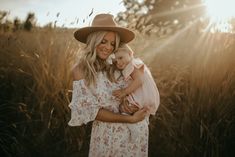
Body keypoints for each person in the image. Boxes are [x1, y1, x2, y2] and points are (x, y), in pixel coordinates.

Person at [68, 13, 150, 157]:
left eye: (113, 43)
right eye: (103, 41)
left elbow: (142, 85)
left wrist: (133, 105)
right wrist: (129, 119)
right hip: (107, 136)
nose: (108, 47)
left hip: (135, 133)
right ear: (94, 40)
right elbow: (91, 111)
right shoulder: (80, 70)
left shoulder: (118, 63)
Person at [112, 44, 160, 142]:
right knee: (130, 109)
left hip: (142, 95)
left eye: (121, 58)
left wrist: (124, 92)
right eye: (116, 61)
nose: (119, 63)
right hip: (146, 95)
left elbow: (140, 80)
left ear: (130, 54)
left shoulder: (132, 65)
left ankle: (133, 127)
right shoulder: (135, 64)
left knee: (122, 109)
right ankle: (136, 125)